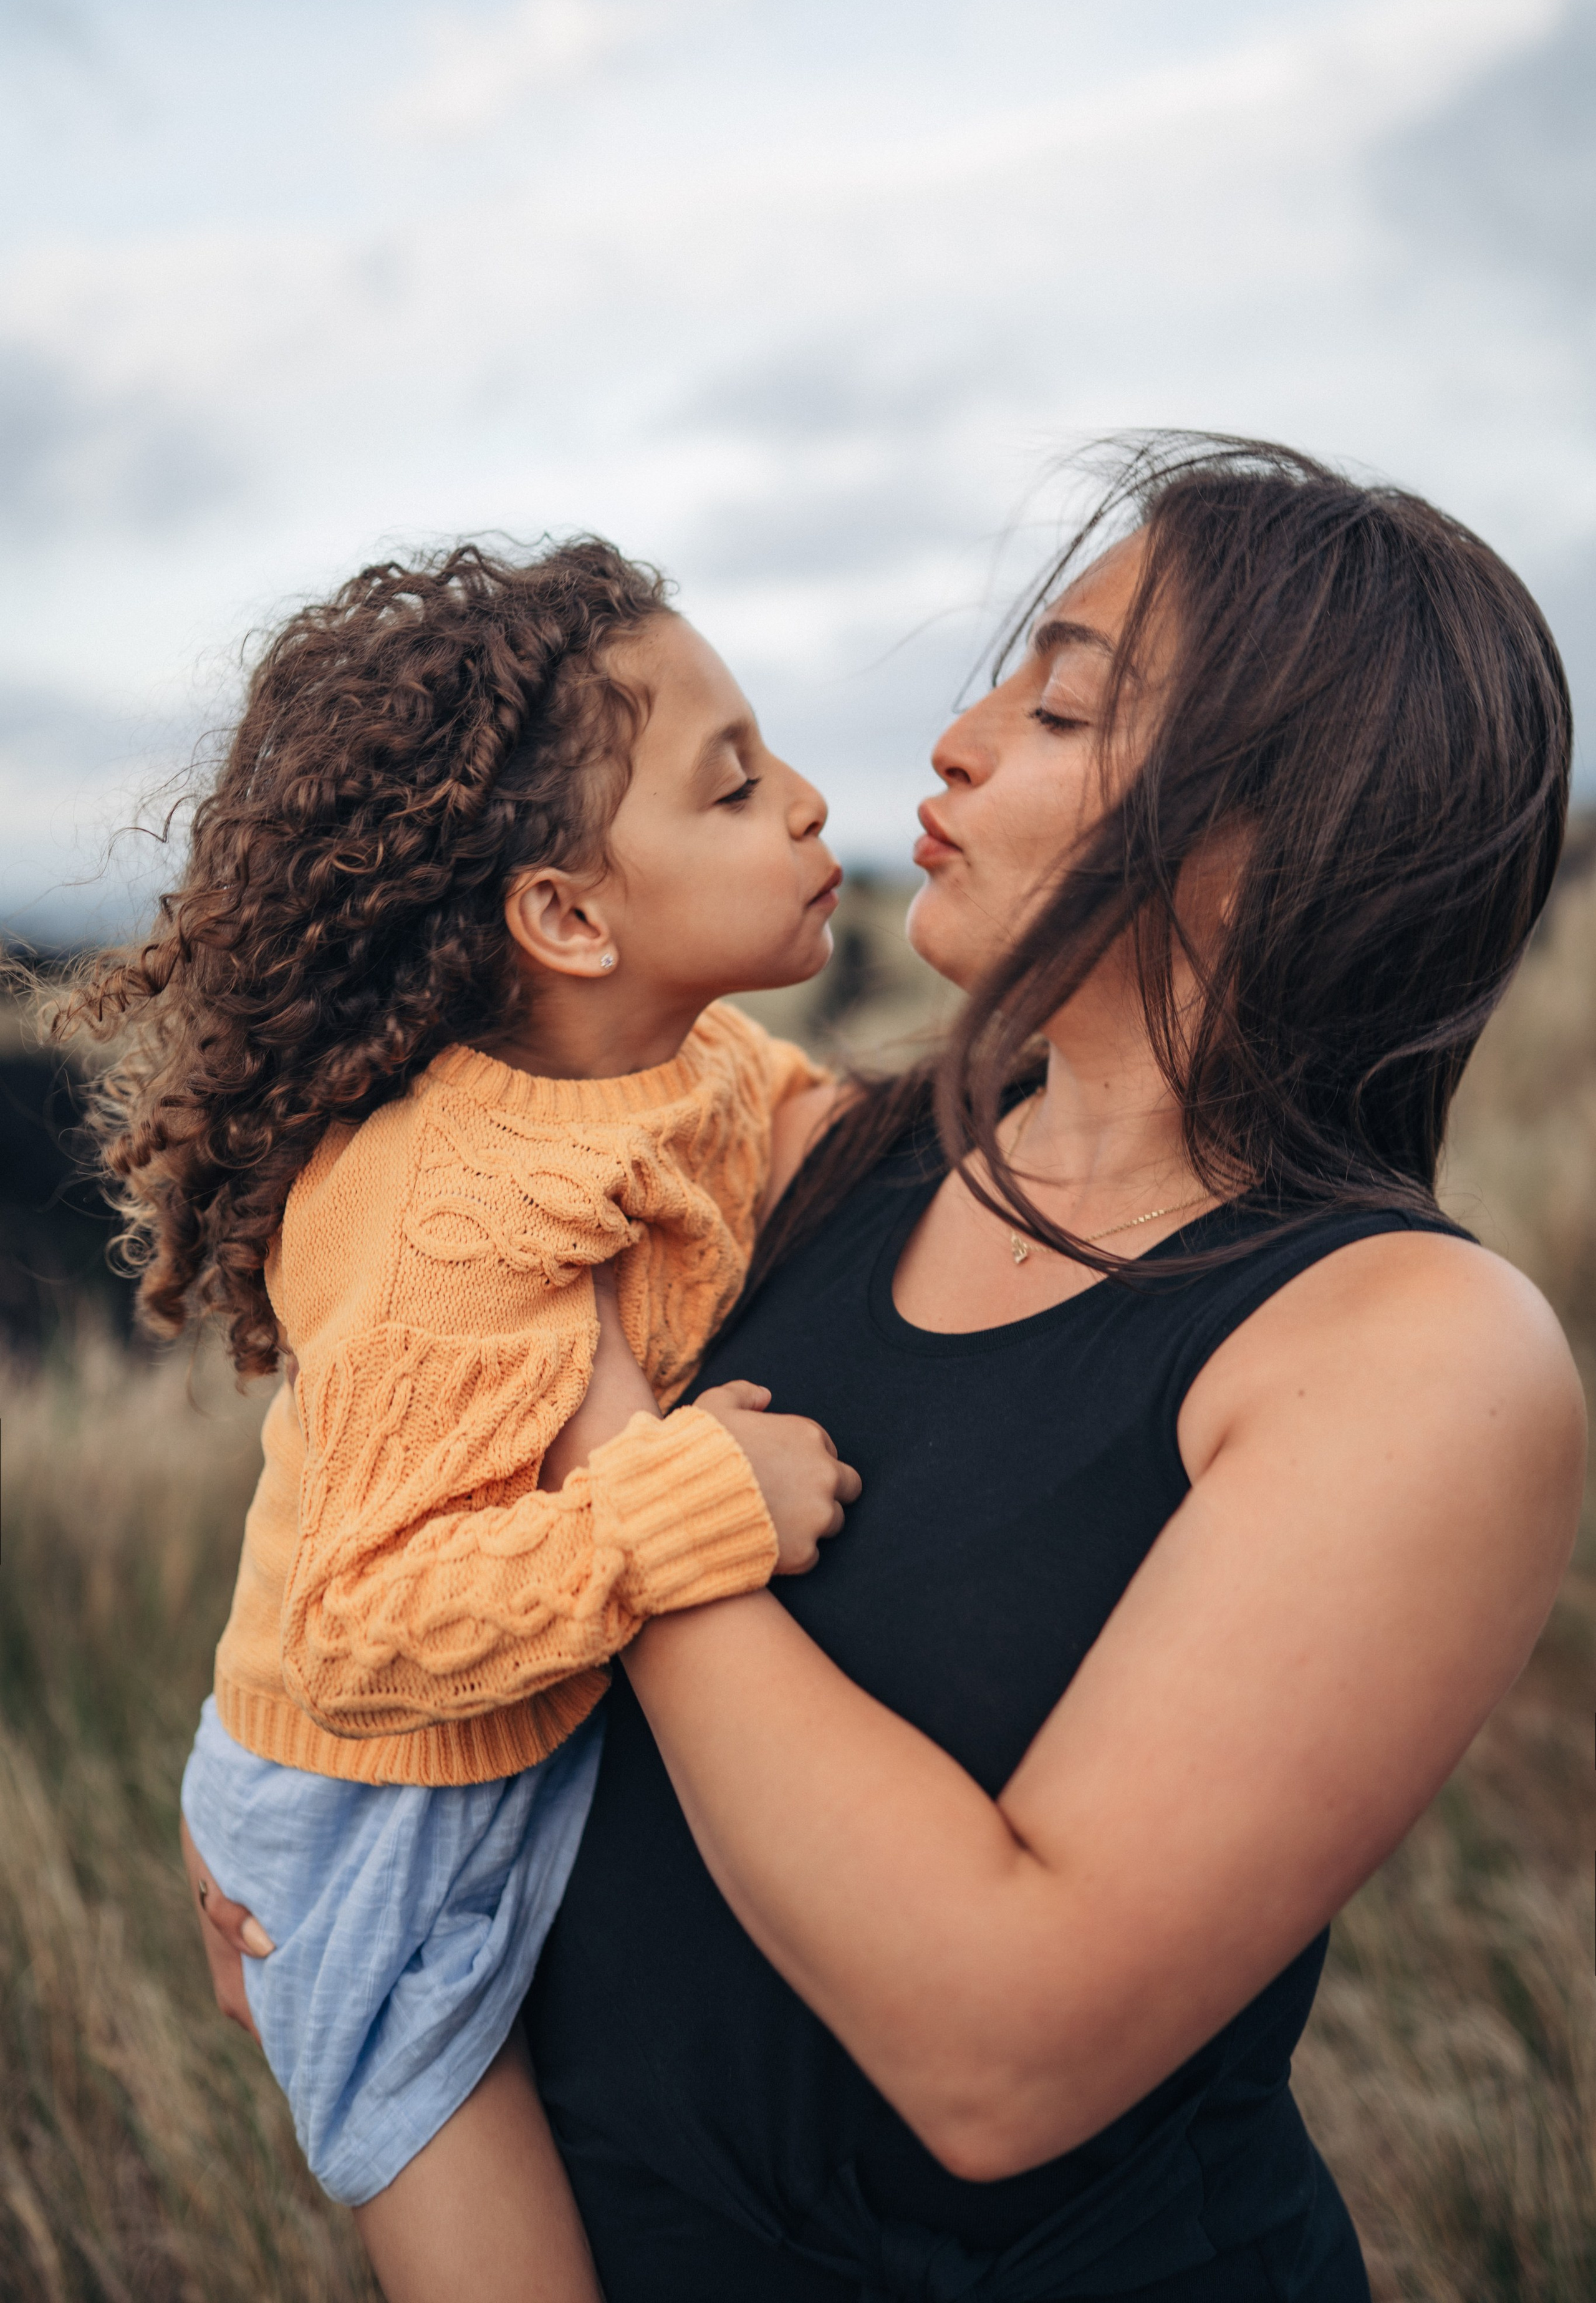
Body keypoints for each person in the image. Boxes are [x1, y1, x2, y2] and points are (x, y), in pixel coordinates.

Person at [200, 437, 1586, 2302]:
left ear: (1285, 840)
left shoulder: (1410, 1353)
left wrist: (633, 1460)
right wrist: (300, 1834)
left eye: (1063, 706)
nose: (954, 741)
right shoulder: (799, 1158)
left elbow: (1002, 2055)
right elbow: (401, 1443)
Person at [61, 538, 860, 2303]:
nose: (811, 803)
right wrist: (688, 1505)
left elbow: (819, 1123)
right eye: (735, 786)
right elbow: (362, 1630)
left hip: (515, 1739)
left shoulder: (689, 1058)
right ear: (568, 919)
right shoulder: (452, 1212)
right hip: (365, 1824)